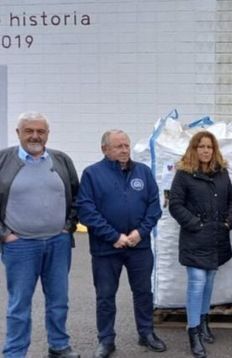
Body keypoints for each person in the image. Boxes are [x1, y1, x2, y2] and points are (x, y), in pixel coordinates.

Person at [77, 129, 165, 358]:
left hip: (140, 247)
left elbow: (154, 206)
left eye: (126, 145)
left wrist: (140, 232)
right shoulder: (92, 174)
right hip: (106, 249)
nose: (125, 150)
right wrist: (114, 236)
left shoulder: (143, 172)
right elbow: (86, 211)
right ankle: (106, 340)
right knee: (105, 295)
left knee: (143, 292)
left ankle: (146, 333)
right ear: (105, 149)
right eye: (119, 146)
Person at [0, 112, 80, 358]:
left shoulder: (61, 160)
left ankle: (58, 346)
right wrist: (4, 234)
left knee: (58, 301)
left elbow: (77, 197)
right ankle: (14, 353)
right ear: (18, 133)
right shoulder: (4, 160)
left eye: (40, 131)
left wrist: (68, 227)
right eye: (29, 131)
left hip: (58, 242)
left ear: (47, 134)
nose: (35, 136)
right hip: (19, 245)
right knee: (19, 305)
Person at [169, 131, 232, 358]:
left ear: (214, 149)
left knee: (209, 281)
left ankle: (204, 320)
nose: (206, 150)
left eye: (209, 146)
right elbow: (175, 205)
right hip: (195, 237)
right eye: (201, 147)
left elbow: (231, 200)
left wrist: (229, 221)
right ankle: (193, 331)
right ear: (194, 149)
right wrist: (195, 224)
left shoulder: (221, 173)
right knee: (197, 282)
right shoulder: (184, 174)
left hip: (217, 237)